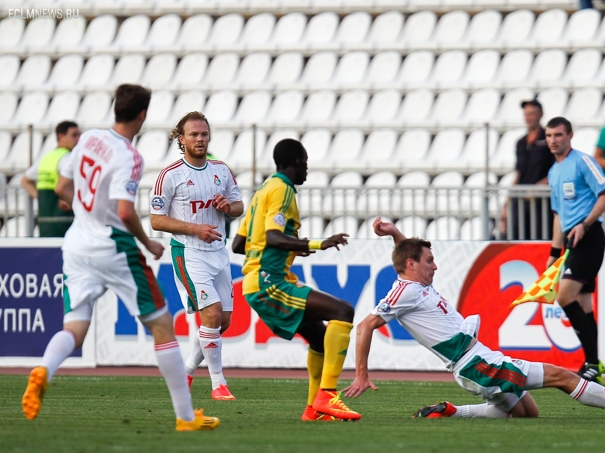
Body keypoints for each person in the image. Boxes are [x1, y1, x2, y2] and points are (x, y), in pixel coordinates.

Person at [21, 84, 219, 431]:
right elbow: (126, 212)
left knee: (75, 327)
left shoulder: (89, 139)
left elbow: (61, 188)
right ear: (143, 114)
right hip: (112, 244)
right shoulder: (129, 156)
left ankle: (44, 370)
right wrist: (147, 243)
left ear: (116, 108)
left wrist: (85, 205)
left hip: (76, 243)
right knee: (161, 326)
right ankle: (186, 418)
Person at [342, 219, 605, 420]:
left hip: (476, 362)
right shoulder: (405, 291)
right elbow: (367, 325)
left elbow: (407, 254)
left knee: (527, 413)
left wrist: (396, 232)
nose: (435, 266)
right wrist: (361, 374)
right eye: (429, 261)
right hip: (476, 364)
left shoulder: (418, 283)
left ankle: (450, 413)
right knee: (561, 375)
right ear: (412, 265)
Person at [230, 139, 359, 421]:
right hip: (269, 282)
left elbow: (240, 244)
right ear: (297, 161)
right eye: (306, 163)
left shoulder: (263, 190)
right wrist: (316, 243)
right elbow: (273, 237)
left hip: (259, 280)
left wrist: (292, 247)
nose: (307, 170)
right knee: (343, 311)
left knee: (320, 337)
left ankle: (314, 410)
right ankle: (327, 395)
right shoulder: (282, 190)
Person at [150, 112, 244, 400]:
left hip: (219, 252)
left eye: (204, 134)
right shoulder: (170, 175)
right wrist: (194, 229)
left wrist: (228, 207)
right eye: (193, 135)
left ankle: (187, 371)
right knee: (212, 314)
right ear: (182, 139)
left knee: (221, 321)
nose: (200, 139)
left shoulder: (221, 170)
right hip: (189, 252)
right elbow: (156, 220)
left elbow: (240, 206)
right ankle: (219, 384)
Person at [546, 117, 605, 384]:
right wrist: (553, 253)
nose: (553, 140)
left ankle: (592, 363)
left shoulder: (583, 161)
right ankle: (592, 365)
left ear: (570, 135)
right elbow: (559, 215)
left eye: (558, 135)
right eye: (549, 135)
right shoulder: (553, 171)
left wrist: (586, 223)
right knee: (583, 304)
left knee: (564, 296)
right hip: (572, 242)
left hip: (590, 237)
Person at [500, 98, 555, 240]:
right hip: (522, 198)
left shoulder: (549, 139)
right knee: (517, 237)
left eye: (532, 113)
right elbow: (518, 172)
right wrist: (507, 202)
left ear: (541, 114)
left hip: (542, 201)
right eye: (526, 114)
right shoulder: (521, 142)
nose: (528, 118)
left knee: (540, 238)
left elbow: (558, 169)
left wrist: (539, 187)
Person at [21, 121, 81, 237]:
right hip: (65, 223)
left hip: (45, 222)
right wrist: (70, 200)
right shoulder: (67, 158)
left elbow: (25, 180)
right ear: (60, 137)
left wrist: (42, 198)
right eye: (74, 135)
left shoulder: (46, 158)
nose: (78, 139)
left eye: (79, 135)